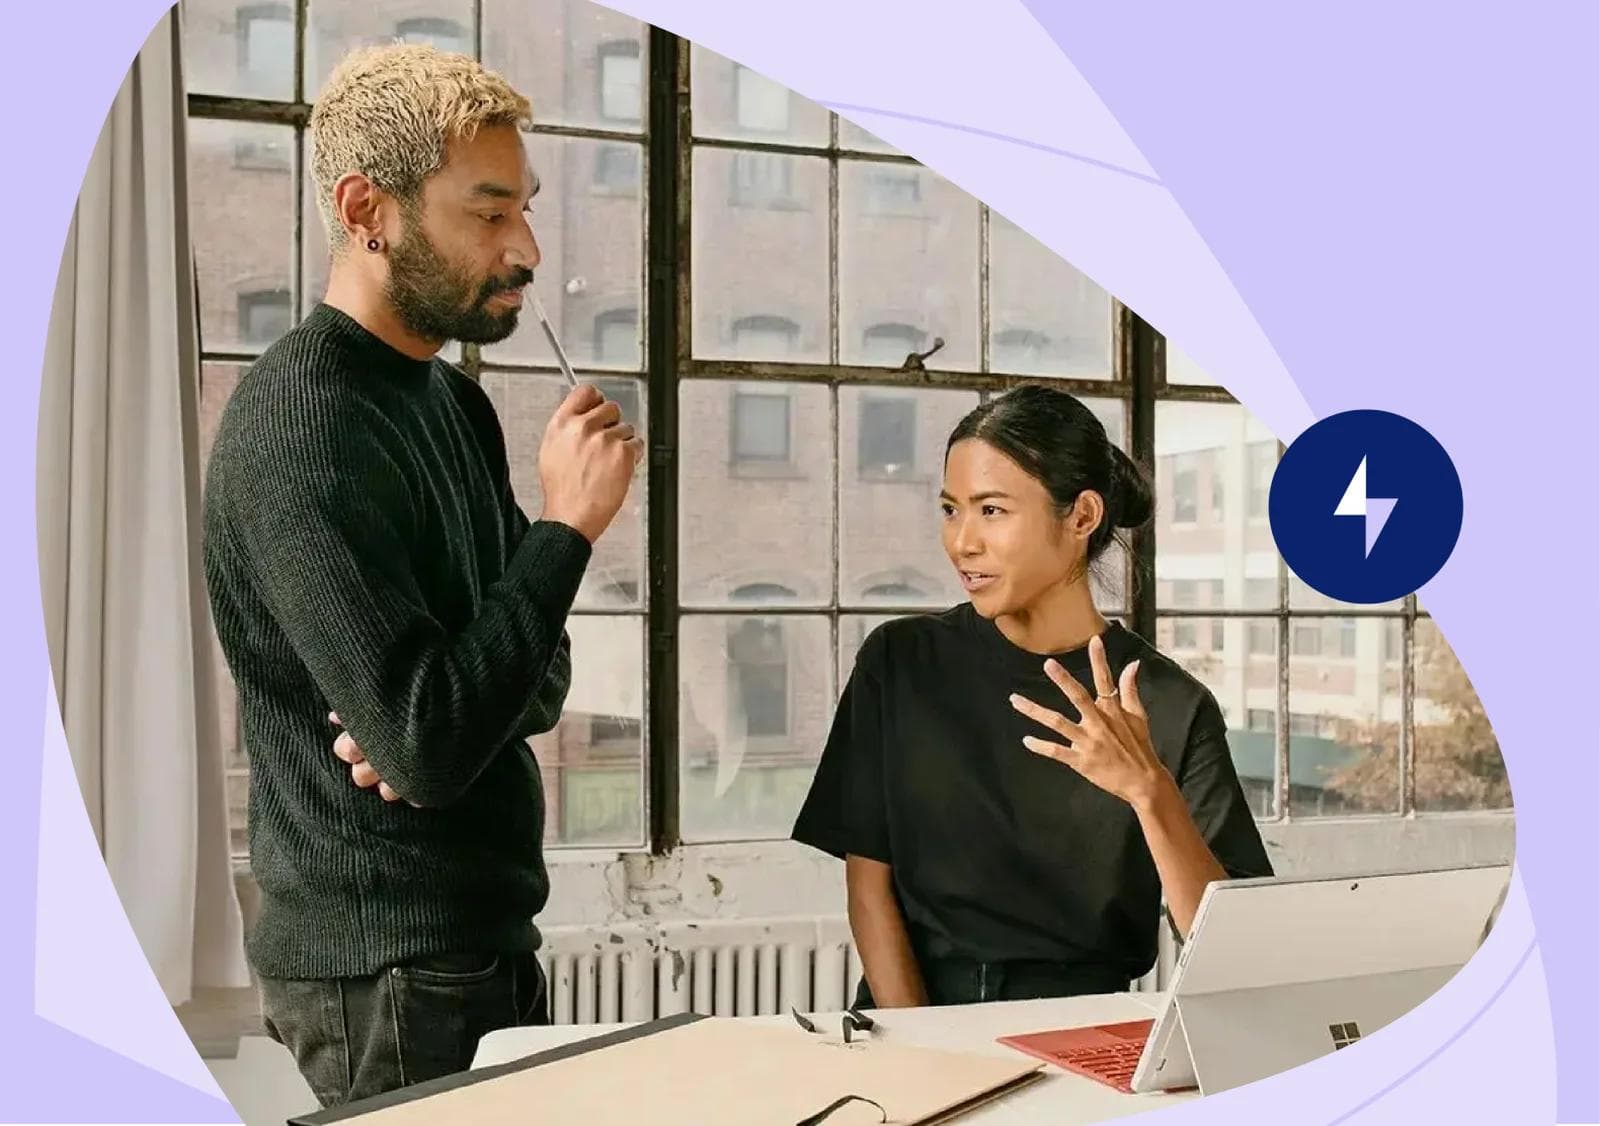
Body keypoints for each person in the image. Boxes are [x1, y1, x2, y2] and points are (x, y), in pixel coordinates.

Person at [202, 44, 642, 1107]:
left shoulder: (454, 405)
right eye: (488, 214)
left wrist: (438, 716)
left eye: (524, 209)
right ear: (368, 209)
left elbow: (530, 683)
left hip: (475, 943)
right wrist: (565, 530)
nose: (527, 248)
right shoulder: (301, 427)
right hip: (382, 975)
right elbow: (434, 736)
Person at [792, 384, 1272, 1009]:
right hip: (907, 1025)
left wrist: (1148, 793)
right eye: (950, 509)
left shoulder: (1169, 703)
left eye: (991, 510)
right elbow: (868, 888)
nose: (962, 541)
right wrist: (927, 1051)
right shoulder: (900, 662)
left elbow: (1232, 949)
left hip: (1080, 1030)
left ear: (1080, 517)